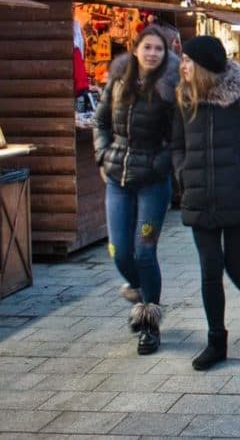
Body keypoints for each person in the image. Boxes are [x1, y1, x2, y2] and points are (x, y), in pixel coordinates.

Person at [172, 35, 240, 370]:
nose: (183, 66)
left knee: (235, 268)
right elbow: (176, 144)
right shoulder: (183, 98)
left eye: (189, 60)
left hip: (237, 195)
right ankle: (216, 341)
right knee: (209, 270)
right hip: (200, 198)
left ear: (203, 65)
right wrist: (184, 173)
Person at [94, 26, 178, 356]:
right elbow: (101, 122)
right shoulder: (117, 80)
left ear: (165, 52)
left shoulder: (171, 86)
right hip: (117, 175)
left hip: (153, 181)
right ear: (136, 49)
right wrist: (102, 154)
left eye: (158, 48)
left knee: (145, 250)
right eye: (147, 47)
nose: (152, 53)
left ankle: (149, 321)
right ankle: (142, 295)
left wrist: (163, 162)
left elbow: (179, 135)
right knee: (119, 250)